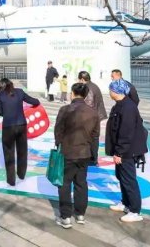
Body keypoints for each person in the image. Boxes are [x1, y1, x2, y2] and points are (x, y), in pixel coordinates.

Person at [54, 83, 100, 229]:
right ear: (85, 95)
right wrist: (92, 153)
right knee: (81, 183)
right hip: (84, 152)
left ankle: (66, 217)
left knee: (65, 183)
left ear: (72, 93)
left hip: (68, 152)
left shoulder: (65, 110)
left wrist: (59, 144)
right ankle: (80, 214)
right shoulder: (93, 112)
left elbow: (58, 131)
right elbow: (95, 135)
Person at [106, 79, 148, 223]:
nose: (109, 92)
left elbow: (126, 133)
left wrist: (119, 153)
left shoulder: (128, 107)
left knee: (129, 179)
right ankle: (125, 203)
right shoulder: (120, 104)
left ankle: (135, 210)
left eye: (110, 89)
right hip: (121, 150)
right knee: (121, 177)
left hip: (127, 151)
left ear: (115, 91)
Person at [0, 78, 40, 186]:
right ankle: (21, 174)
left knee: (8, 153)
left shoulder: (0, 95)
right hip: (21, 125)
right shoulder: (20, 92)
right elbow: (35, 101)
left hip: (8, 126)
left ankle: (11, 180)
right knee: (22, 151)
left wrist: (7, 112)